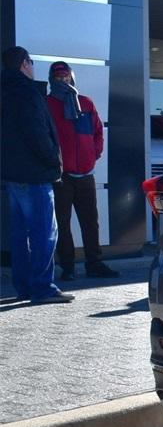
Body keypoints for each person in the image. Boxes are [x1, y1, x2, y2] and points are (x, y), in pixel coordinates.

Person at [1, 46, 74, 304]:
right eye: (31, 62)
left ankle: (23, 287)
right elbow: (37, 133)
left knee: (20, 235)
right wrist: (54, 161)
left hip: (11, 174)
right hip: (35, 174)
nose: (33, 67)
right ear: (23, 63)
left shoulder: (4, 92)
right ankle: (43, 288)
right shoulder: (28, 93)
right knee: (44, 232)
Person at [46, 61, 119, 280]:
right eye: (58, 77)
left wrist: (93, 155)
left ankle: (94, 263)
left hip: (85, 173)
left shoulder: (85, 102)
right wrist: (54, 162)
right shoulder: (47, 104)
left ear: (72, 77)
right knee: (62, 222)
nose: (63, 80)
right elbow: (44, 136)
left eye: (66, 76)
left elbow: (97, 132)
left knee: (90, 222)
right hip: (62, 176)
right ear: (52, 79)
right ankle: (67, 267)